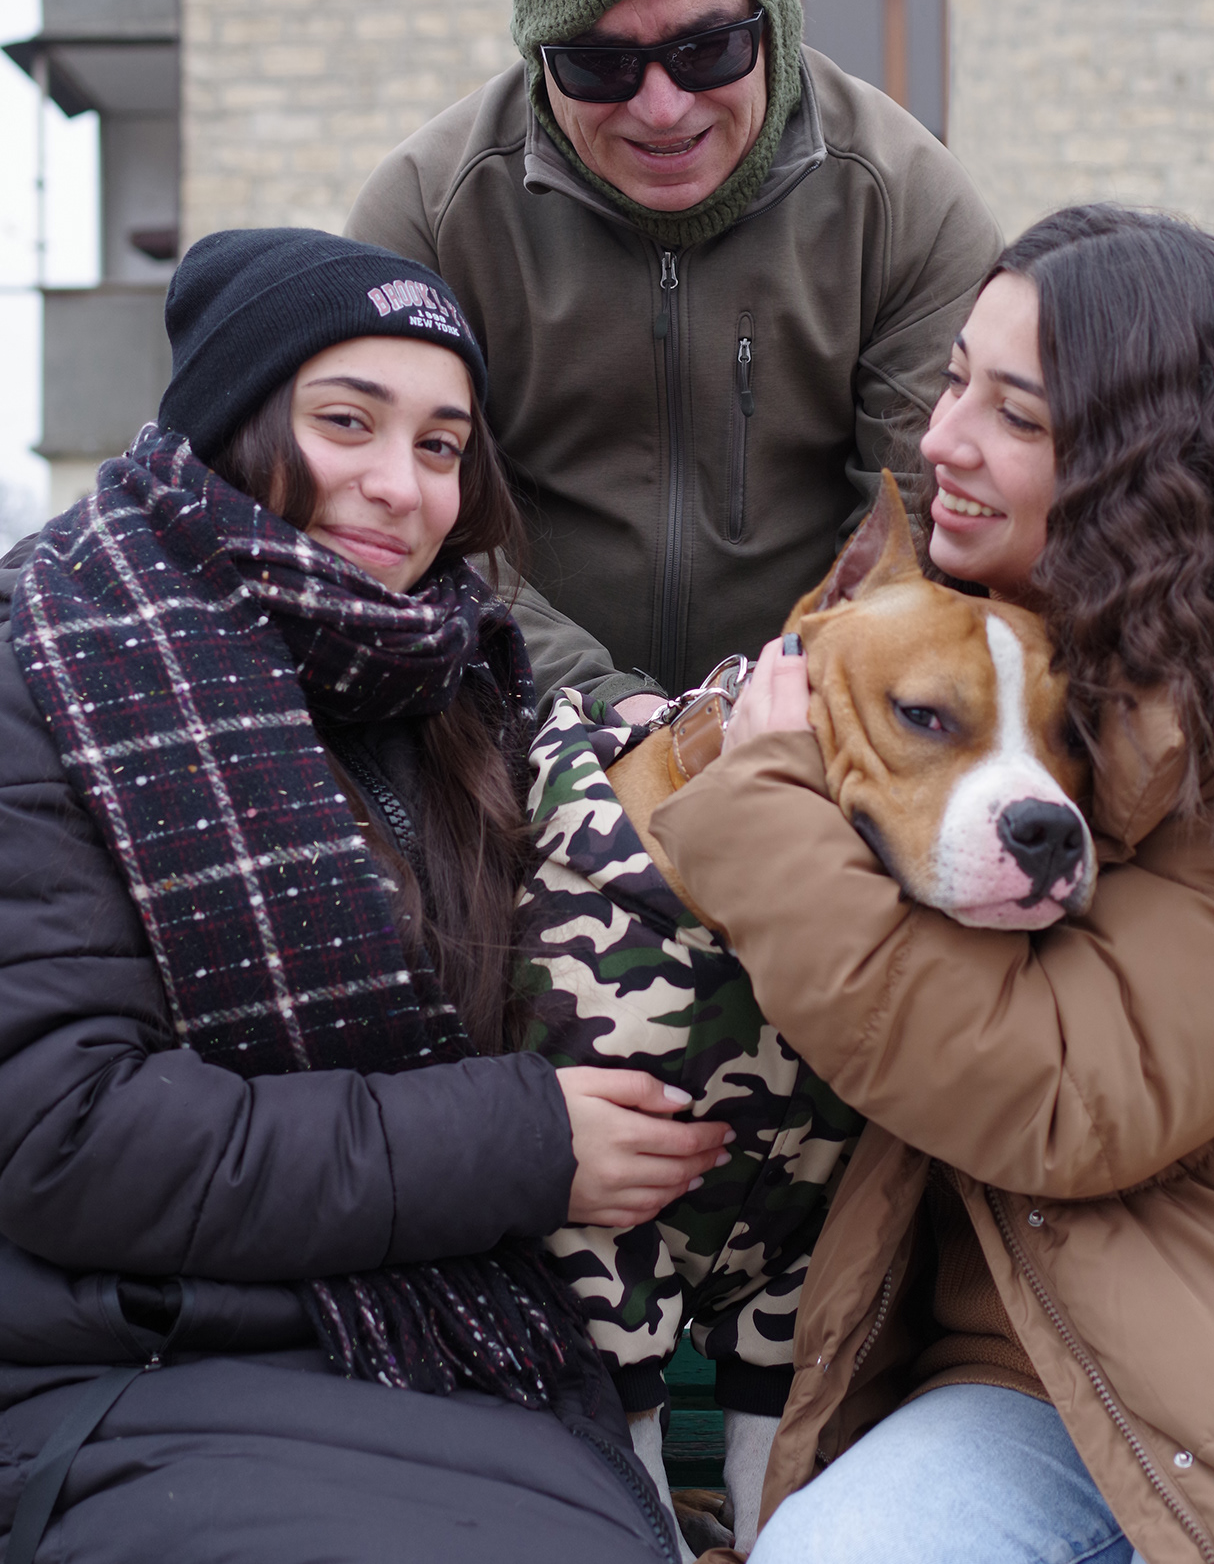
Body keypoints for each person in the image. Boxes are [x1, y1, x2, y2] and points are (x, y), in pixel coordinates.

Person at [648, 206, 1214, 1564]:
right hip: (1021, 1364)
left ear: (1151, 466)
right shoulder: (989, 653)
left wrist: (759, 807)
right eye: (951, 385)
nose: (941, 440)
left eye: (1016, 415)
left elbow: (1063, 1094)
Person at [0, 227, 738, 1564]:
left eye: (442, 445)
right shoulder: (43, 673)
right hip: (121, 1368)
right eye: (347, 421)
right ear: (228, 421)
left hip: (455, 1355)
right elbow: (65, 1133)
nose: (400, 486)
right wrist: (524, 1144)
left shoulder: (463, 687)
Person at [346, 0, 1001, 724]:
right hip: (505, 717)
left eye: (709, 49)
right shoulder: (426, 216)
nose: (661, 108)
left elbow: (920, 531)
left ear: (777, 22)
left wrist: (766, 713)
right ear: (537, 60)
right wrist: (610, 712)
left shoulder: (908, 206)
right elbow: (397, 522)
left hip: (821, 720)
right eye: (600, 66)